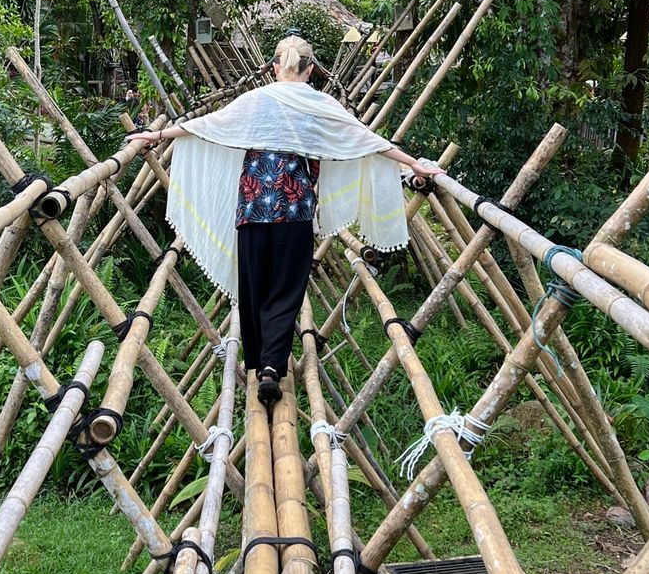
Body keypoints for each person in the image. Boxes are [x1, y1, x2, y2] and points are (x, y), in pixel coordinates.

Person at [128, 34, 443, 404]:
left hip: (253, 209)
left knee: (254, 288)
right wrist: (415, 164)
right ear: (310, 70)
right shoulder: (321, 105)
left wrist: (157, 134)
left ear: (276, 67)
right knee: (286, 290)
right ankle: (271, 367)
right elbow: (367, 140)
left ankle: (257, 361)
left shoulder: (256, 101)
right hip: (295, 213)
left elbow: (206, 126)